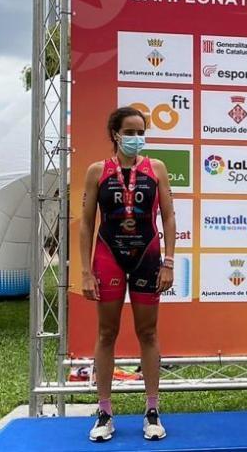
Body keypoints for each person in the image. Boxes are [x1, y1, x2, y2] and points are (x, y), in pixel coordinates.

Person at [80, 106, 176, 441]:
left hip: (147, 257)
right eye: (130, 132)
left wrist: (170, 262)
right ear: (115, 134)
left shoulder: (157, 168)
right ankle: (104, 411)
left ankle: (152, 409)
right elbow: (86, 224)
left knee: (148, 333)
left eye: (141, 132)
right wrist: (84, 271)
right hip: (108, 257)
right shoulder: (97, 171)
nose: (137, 138)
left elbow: (169, 217)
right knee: (107, 334)